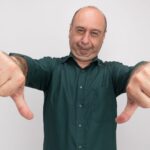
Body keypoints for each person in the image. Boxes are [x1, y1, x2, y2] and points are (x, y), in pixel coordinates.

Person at [0, 5, 150, 150]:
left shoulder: (112, 73)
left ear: (103, 37)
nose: (85, 40)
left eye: (94, 33)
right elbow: (28, 66)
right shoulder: (52, 69)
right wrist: (16, 64)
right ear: (70, 30)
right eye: (80, 30)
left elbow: (135, 74)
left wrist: (143, 70)